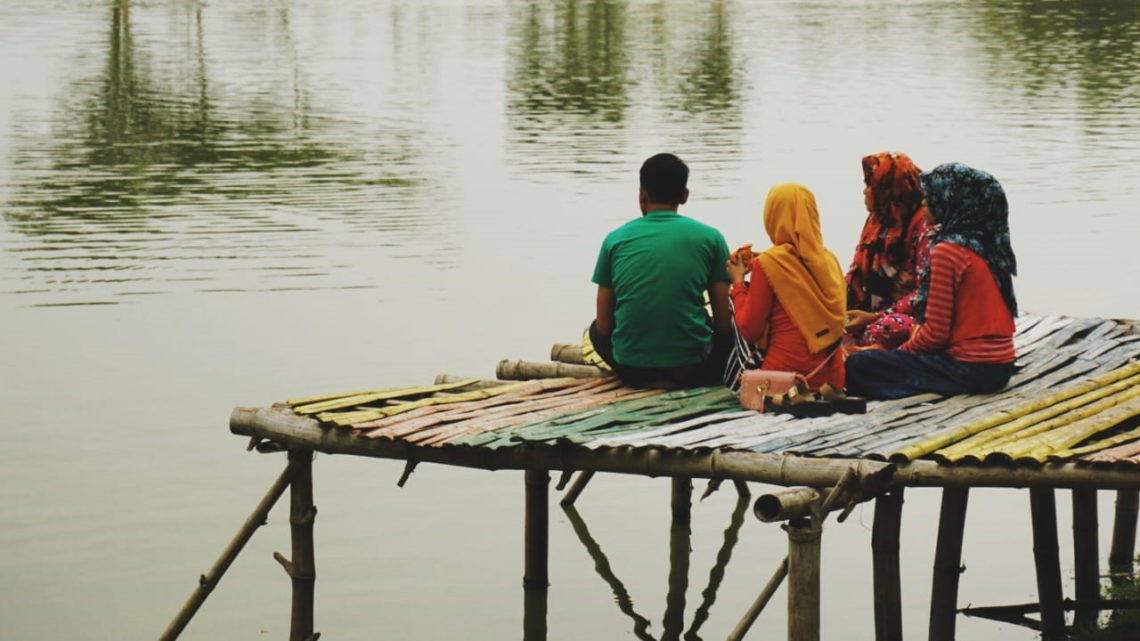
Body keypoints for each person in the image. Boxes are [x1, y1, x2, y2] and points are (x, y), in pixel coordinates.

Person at [845, 163, 1017, 400]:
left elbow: (935, 335)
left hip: (970, 368)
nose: (924, 202)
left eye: (932, 197)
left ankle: (921, 390)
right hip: (1001, 366)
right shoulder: (987, 246)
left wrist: (901, 354)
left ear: (953, 202)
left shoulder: (947, 251)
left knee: (859, 364)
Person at [589, 153, 733, 387]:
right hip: (692, 369)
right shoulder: (711, 238)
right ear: (684, 196)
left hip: (632, 368)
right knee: (729, 331)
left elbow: (605, 326)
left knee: (595, 330)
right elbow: (724, 325)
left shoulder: (614, 240)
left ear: (641, 193)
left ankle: (649, 373)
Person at [726, 183, 847, 391]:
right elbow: (800, 265)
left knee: (733, 303)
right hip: (832, 382)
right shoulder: (830, 260)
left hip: (784, 381)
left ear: (772, 217)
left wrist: (738, 283)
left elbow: (749, 329)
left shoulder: (769, 264)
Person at [844, 151, 935, 349]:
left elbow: (926, 292)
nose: (864, 192)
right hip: (872, 312)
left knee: (882, 329)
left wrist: (874, 316)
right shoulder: (878, 221)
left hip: (908, 317)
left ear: (888, 190)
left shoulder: (923, 226)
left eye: (870, 185)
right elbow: (856, 273)